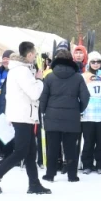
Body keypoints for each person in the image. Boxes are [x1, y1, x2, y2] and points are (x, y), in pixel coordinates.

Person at [0, 42, 50, 194]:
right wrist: (40, 80)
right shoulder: (22, 71)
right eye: (34, 55)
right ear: (29, 55)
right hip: (23, 115)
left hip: (22, 114)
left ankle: (34, 184)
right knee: (21, 151)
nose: (35, 58)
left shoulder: (17, 70)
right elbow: (34, 93)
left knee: (30, 152)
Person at [40, 48, 88, 182]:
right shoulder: (78, 77)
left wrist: (43, 112)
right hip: (72, 117)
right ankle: (72, 175)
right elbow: (85, 96)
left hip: (52, 116)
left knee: (53, 148)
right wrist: (78, 109)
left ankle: (50, 174)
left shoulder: (49, 77)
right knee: (71, 147)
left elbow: (43, 97)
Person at [79, 51, 101, 174]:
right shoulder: (84, 76)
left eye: (98, 62)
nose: (96, 64)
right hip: (88, 112)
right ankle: (87, 164)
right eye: (93, 62)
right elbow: (80, 93)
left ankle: (100, 164)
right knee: (88, 140)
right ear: (89, 63)